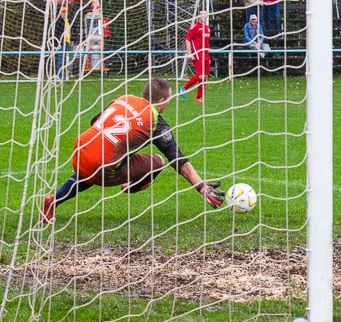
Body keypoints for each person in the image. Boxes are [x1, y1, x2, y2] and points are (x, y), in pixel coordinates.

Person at [40, 78, 226, 224]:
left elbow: (94, 120)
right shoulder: (155, 122)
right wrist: (200, 186)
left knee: (97, 164)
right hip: (102, 167)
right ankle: (132, 185)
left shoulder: (124, 99)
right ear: (162, 100)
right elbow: (176, 158)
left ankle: (53, 200)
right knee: (158, 162)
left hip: (80, 151)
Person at [181, 10, 211, 102]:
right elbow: (187, 40)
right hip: (197, 53)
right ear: (198, 16)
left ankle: (199, 97)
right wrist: (190, 53)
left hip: (206, 54)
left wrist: (208, 57)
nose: (203, 15)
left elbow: (206, 43)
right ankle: (184, 88)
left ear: (207, 16)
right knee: (201, 75)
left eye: (204, 14)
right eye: (201, 14)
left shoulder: (207, 28)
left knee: (205, 77)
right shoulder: (195, 27)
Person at [54, 5, 72, 79]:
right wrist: (59, 42)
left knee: (66, 59)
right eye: (63, 12)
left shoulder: (67, 21)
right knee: (60, 59)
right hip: (61, 43)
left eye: (66, 12)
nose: (64, 14)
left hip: (67, 42)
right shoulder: (59, 21)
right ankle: (59, 75)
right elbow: (57, 33)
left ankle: (66, 74)